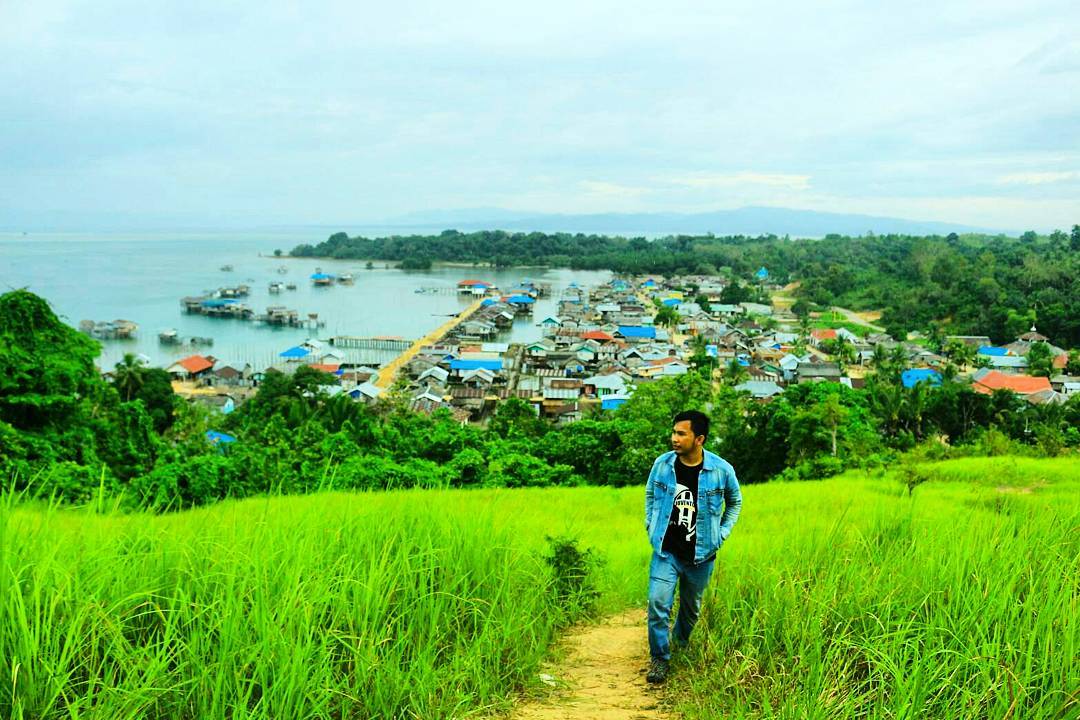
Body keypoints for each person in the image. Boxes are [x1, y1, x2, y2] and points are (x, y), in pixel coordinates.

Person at [644, 410, 741, 684]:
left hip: (701, 555)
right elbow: (651, 494)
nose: (674, 438)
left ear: (699, 439)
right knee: (657, 602)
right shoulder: (662, 465)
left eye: (681, 434)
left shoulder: (721, 470)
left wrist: (721, 534)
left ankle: (680, 644)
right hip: (667, 550)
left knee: (690, 609)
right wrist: (650, 524)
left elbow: (735, 502)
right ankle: (660, 659)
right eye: (674, 432)